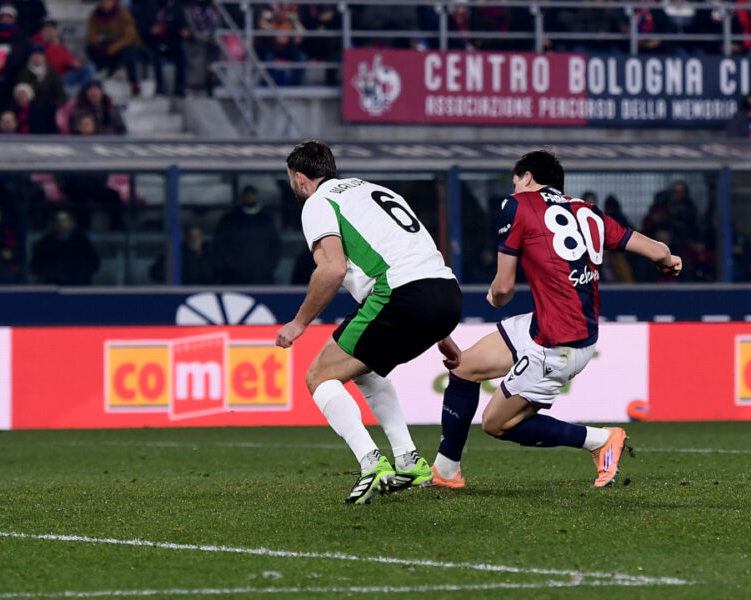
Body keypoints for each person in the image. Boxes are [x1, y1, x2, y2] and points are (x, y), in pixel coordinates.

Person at [429, 150, 682, 491]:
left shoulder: (517, 205)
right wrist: (668, 261)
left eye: (516, 182)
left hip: (559, 343)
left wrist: (494, 297)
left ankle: (600, 440)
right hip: (554, 325)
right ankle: (446, 471)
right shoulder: (587, 211)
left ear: (528, 177)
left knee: (495, 423)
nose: (514, 190)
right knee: (464, 366)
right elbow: (658, 251)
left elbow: (503, 289)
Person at [277, 140, 463, 504]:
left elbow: (332, 269)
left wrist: (299, 323)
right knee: (365, 369)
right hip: (447, 293)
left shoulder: (318, 202)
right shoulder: (373, 190)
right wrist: (443, 332)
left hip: (402, 295)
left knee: (319, 377)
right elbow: (417, 254)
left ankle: (371, 463)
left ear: (300, 179)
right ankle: (408, 460)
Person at [213, 185, 281, 284]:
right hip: (233, 279)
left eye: (252, 195)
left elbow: (275, 248)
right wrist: (232, 269)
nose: (250, 198)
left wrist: (264, 269)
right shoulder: (230, 220)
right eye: (247, 195)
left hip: (262, 279)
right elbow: (220, 247)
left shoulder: (266, 221)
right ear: (242, 197)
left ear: (257, 197)